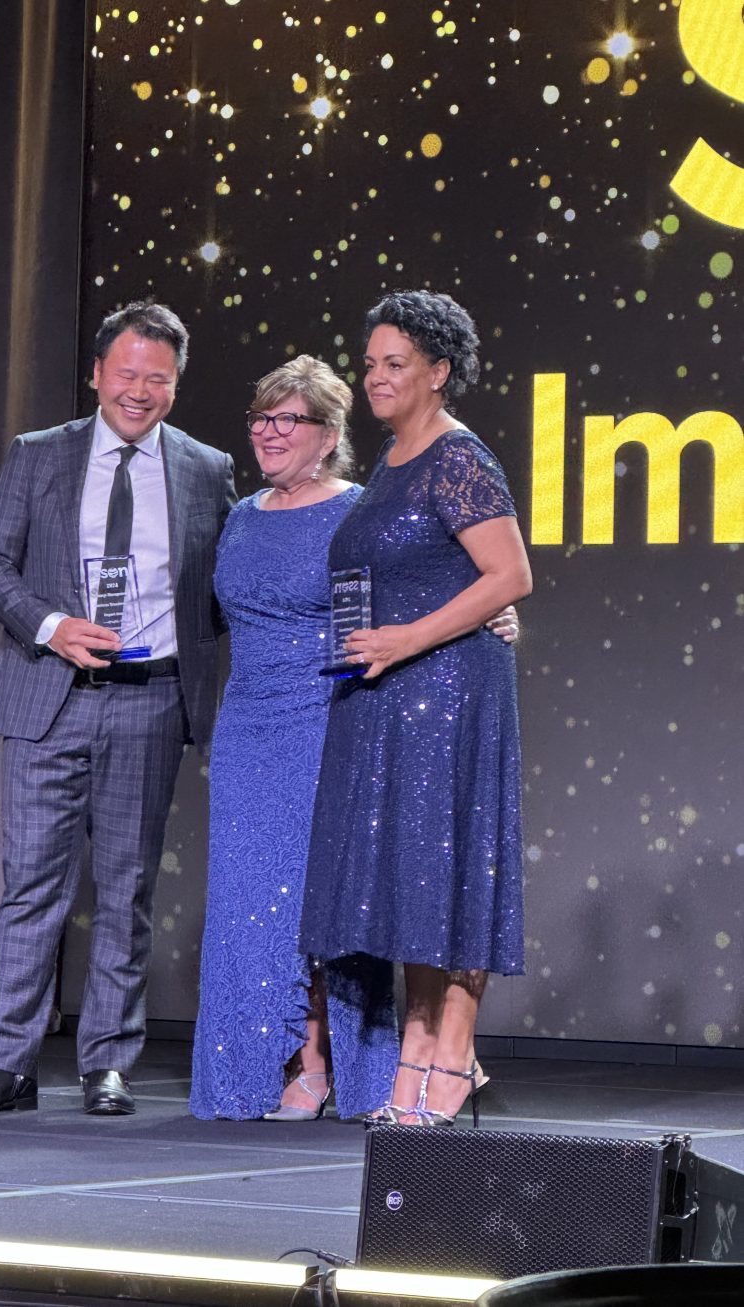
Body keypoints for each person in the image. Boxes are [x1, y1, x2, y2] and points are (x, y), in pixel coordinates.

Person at [0, 301, 236, 1117]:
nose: (140, 391)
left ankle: (108, 1062)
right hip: (51, 694)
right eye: (127, 373)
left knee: (125, 890)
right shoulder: (39, 454)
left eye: (158, 379)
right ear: (97, 373)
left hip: (150, 700)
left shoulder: (206, 468)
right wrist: (52, 626)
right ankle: (8, 1063)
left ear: (176, 385)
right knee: (31, 887)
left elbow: (229, 585)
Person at [300, 290, 532, 1127]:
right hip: (389, 700)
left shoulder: (459, 457)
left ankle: (451, 1057)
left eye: (395, 363)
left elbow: (510, 575)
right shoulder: (393, 461)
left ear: (439, 371)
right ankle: (415, 1057)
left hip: (449, 694)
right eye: (370, 363)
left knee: (450, 870)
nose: (376, 377)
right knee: (412, 881)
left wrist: (408, 638)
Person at [189, 356, 399, 1121]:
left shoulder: (359, 511)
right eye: (261, 418)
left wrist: (492, 616)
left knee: (318, 903)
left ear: (329, 433)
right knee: (249, 903)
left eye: (288, 419)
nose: (269, 433)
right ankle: (289, 1066)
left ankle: (343, 1067)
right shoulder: (241, 516)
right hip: (247, 728)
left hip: (328, 722)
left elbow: (410, 598)